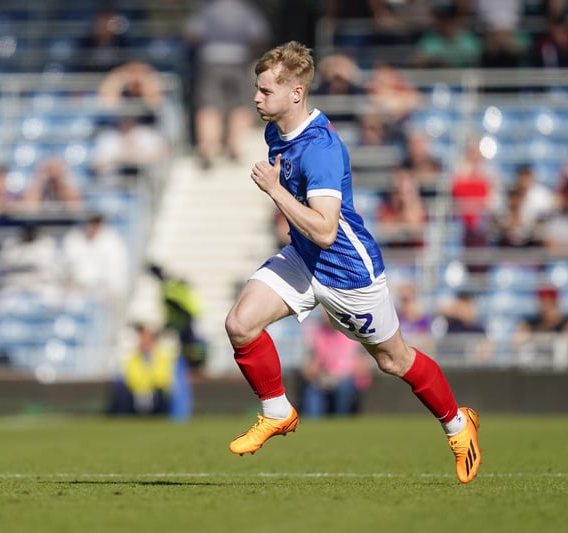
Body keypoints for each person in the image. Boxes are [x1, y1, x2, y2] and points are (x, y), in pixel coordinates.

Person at [224, 41, 481, 483]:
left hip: (346, 272)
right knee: (240, 324)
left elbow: (325, 229)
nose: (256, 98)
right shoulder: (275, 132)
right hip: (305, 258)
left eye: (265, 91)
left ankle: (459, 426)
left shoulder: (321, 149)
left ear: (296, 93)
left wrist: (275, 191)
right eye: (257, 89)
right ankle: (277, 411)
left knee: (394, 361)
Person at [183, 0, 270, 168]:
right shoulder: (247, 10)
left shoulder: (207, 9)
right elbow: (259, 36)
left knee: (209, 104)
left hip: (209, 60)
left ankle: (208, 147)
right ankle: (235, 147)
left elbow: (192, 33)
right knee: (241, 105)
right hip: (239, 60)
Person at [106, 320, 192, 420]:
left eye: (146, 336)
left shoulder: (165, 357)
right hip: (135, 399)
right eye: (141, 335)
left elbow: (168, 384)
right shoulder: (131, 358)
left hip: (158, 401)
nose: (143, 340)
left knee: (162, 396)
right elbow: (127, 381)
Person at [298, 308, 373, 418]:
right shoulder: (316, 334)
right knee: (312, 391)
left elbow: (363, 366)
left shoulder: (352, 334)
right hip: (323, 379)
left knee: (345, 387)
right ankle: (312, 423)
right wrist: (318, 373)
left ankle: (341, 420)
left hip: (345, 379)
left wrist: (340, 375)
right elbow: (308, 368)